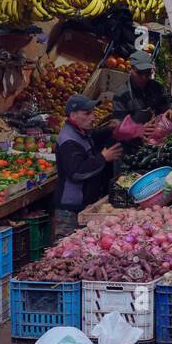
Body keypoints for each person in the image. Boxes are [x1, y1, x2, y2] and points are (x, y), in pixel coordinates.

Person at [54, 94, 123, 238]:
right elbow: (77, 172)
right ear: (73, 115)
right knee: (66, 248)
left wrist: (109, 128)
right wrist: (103, 158)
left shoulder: (80, 132)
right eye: (87, 113)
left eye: (92, 113)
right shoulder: (69, 140)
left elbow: (93, 135)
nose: (93, 117)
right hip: (71, 209)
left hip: (83, 204)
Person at [112, 49, 172, 132]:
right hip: (133, 141)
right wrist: (139, 129)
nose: (144, 77)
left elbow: (166, 109)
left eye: (148, 73)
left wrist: (171, 114)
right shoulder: (121, 95)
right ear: (130, 69)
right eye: (140, 73)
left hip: (159, 135)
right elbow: (118, 128)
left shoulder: (157, 88)